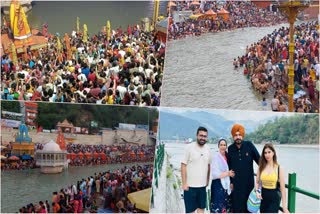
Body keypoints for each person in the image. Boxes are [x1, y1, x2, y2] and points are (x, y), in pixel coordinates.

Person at [227, 124, 260, 213]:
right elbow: (229, 167)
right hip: (236, 186)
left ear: (243, 135)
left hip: (249, 185)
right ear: (233, 136)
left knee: (249, 209)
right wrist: (230, 181)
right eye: (236, 135)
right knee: (237, 209)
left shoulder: (249, 145)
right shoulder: (230, 149)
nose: (238, 137)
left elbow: (260, 161)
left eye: (239, 135)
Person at [181, 126, 211, 213]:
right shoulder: (189, 148)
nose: (203, 138)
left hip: (202, 187)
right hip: (190, 187)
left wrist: (207, 181)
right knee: (190, 211)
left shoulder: (208, 149)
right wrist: (184, 184)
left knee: (201, 209)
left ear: (207, 137)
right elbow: (183, 165)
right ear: (196, 135)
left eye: (205, 136)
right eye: (201, 135)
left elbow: (208, 166)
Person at [255, 144, 289, 213]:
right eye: (265, 153)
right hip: (263, 197)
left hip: (274, 198)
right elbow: (257, 182)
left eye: (269, 152)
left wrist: (284, 208)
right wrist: (257, 192)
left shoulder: (279, 168)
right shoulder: (261, 167)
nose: (267, 155)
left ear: (273, 153)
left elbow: (282, 189)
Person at [210, 139, 235, 213]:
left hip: (227, 185)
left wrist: (232, 182)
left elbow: (232, 169)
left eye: (224, 145)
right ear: (218, 146)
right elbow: (214, 174)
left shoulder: (228, 157)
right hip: (217, 185)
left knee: (227, 206)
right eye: (221, 145)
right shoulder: (215, 157)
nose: (223, 146)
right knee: (218, 207)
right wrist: (227, 173)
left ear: (226, 146)